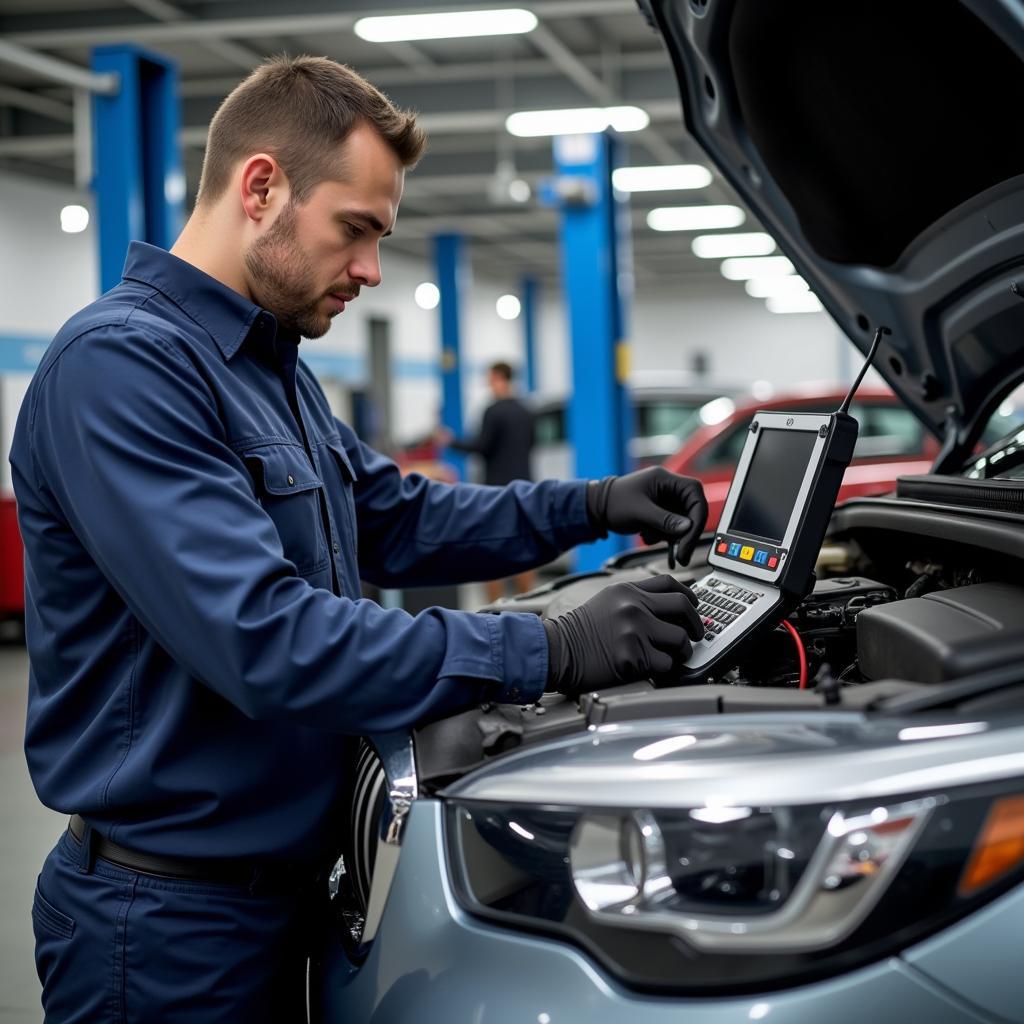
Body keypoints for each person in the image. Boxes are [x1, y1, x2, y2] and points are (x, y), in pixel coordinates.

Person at [9, 56, 708, 1023]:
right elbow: (267, 639)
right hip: (166, 928)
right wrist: (552, 647)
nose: (372, 270)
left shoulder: (270, 369)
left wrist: (590, 505)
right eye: (357, 230)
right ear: (261, 188)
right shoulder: (123, 369)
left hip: (284, 896)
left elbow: (396, 517)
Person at [437, 360, 538, 600]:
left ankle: (495, 608)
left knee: (494, 549)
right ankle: (529, 603)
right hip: (525, 487)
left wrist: (450, 441)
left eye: (490, 378)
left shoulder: (493, 411)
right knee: (525, 547)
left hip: (497, 490)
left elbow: (482, 446)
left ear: (499, 378)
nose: (488, 384)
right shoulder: (527, 410)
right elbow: (532, 444)